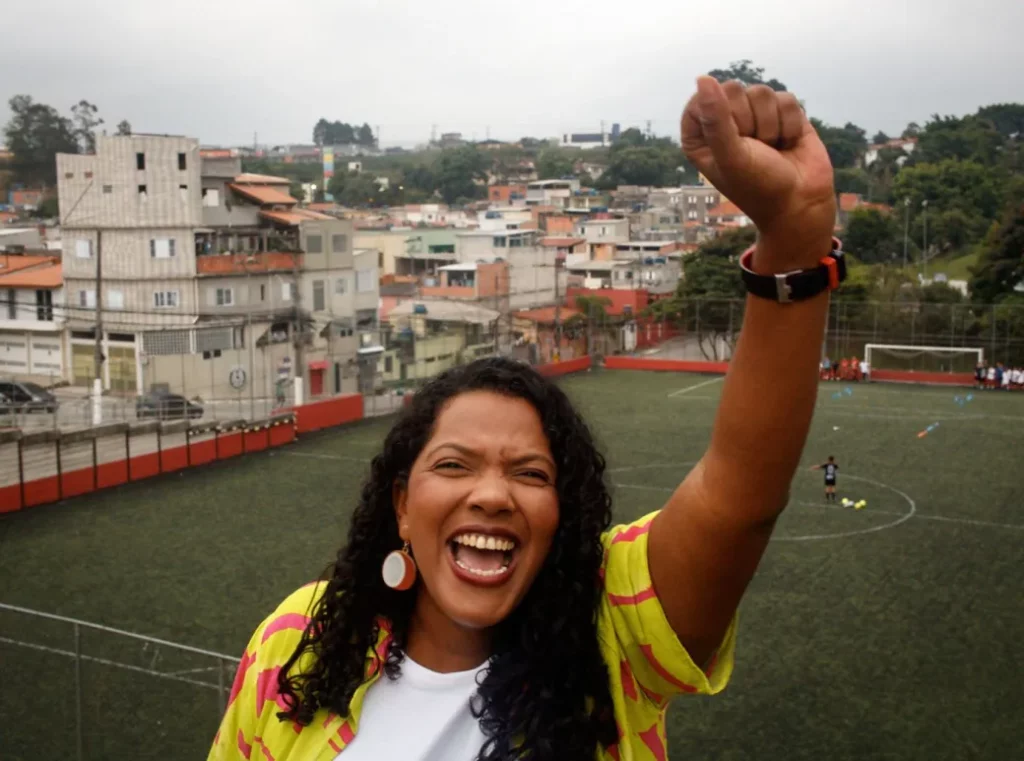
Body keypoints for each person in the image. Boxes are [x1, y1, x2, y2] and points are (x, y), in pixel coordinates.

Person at [209, 77, 840, 761]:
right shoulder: (295, 641)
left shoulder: (608, 638)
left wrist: (793, 238)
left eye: (530, 473)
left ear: (561, 510)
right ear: (400, 505)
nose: (490, 493)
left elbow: (738, 493)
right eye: (453, 464)